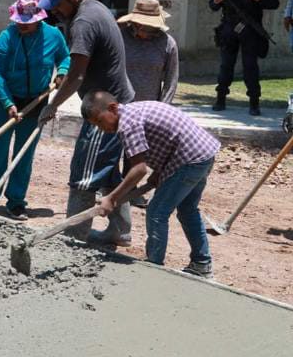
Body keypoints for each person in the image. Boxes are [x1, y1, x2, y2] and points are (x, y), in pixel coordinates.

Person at [36, 0, 135, 245]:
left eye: (57, 4)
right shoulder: (94, 7)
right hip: (116, 103)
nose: (54, 10)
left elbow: (77, 75)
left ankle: (74, 236)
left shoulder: (83, 21)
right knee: (108, 171)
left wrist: (52, 106)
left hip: (105, 112)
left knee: (85, 172)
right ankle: (120, 231)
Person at [82, 91, 219, 279]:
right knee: (188, 210)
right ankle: (201, 264)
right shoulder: (132, 113)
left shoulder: (126, 124)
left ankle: (154, 267)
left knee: (156, 212)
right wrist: (159, 172)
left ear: (113, 108)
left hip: (189, 159)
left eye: (99, 121)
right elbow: (166, 139)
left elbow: (139, 169)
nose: (101, 128)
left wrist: (112, 198)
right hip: (203, 153)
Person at [0, 0, 69, 219]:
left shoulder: (54, 36)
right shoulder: (6, 37)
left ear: (39, 19)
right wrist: (7, 103)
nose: (23, 26)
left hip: (35, 102)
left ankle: (16, 200)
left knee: (23, 154)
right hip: (4, 101)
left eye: (29, 23)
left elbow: (65, 57)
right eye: (19, 22)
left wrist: (62, 72)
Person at [209, 0, 279, 115]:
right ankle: (220, 99)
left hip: (250, 30)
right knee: (226, 65)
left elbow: (275, 3)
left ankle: (254, 103)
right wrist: (215, 1)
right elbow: (212, 5)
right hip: (229, 29)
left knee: (250, 67)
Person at [118, 0, 179, 104]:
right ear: (136, 24)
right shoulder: (119, 38)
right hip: (122, 107)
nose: (151, 32)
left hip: (151, 109)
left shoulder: (168, 43)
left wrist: (162, 108)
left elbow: (171, 82)